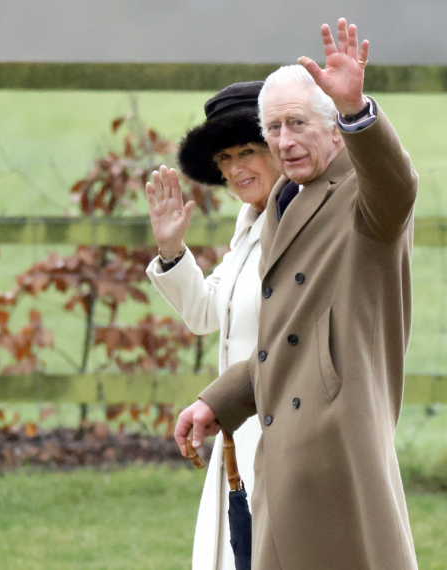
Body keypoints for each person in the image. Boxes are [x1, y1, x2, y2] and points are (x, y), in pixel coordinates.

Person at [175, 18, 419, 570]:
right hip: (281, 448)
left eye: (298, 124)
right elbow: (287, 334)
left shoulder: (364, 192)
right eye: (274, 128)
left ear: (335, 130)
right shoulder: (285, 199)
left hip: (338, 448)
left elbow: (396, 183)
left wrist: (359, 112)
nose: (284, 141)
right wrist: (220, 400)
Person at [143, 81, 279, 570]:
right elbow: (205, 314)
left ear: (279, 147)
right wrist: (171, 250)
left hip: (283, 434)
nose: (236, 169)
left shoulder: (300, 223)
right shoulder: (248, 225)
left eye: (248, 151)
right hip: (233, 432)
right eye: (225, 158)